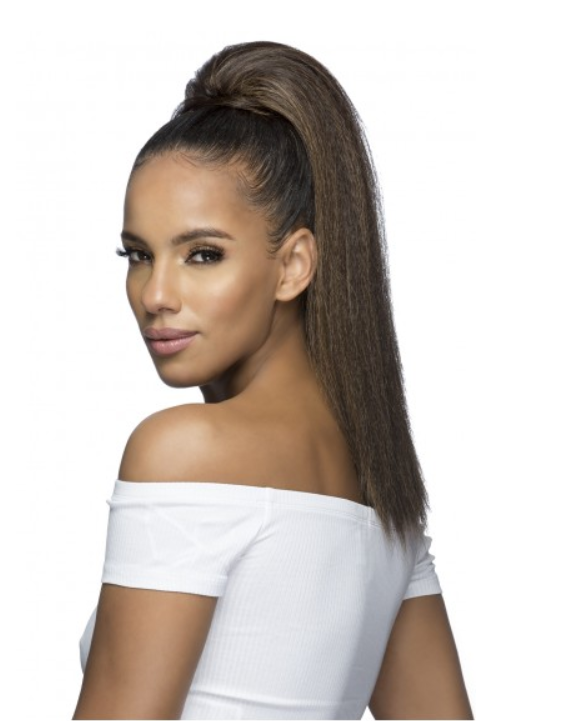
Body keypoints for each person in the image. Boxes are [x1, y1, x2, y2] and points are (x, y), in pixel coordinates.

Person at [73, 41, 473, 720]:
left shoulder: (182, 452)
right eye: (137, 255)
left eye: (203, 254)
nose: (155, 294)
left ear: (293, 266)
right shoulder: (382, 486)